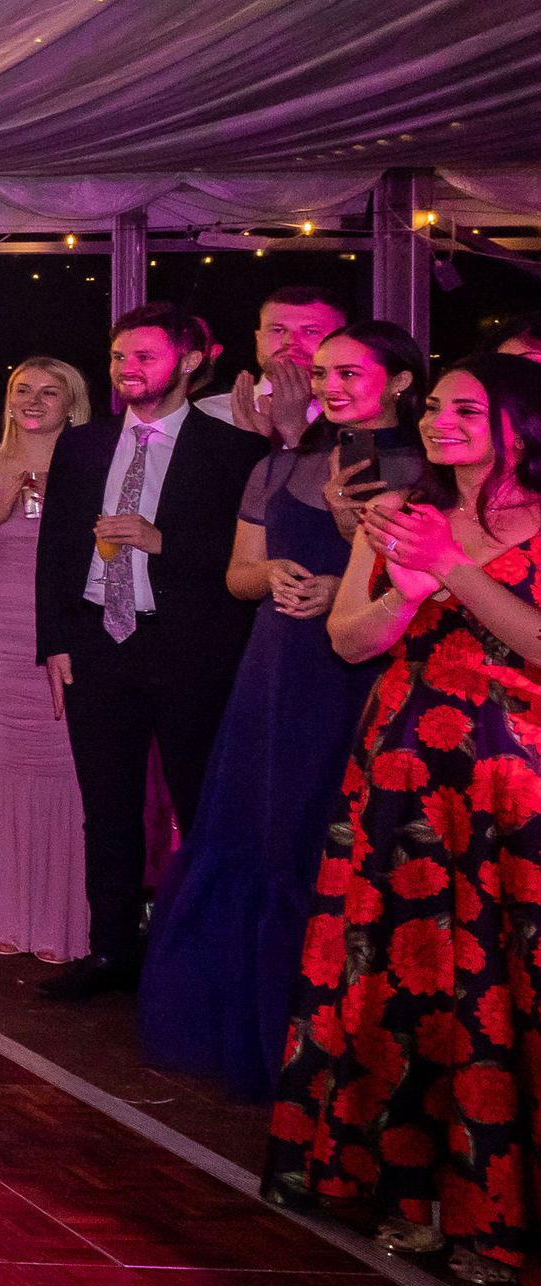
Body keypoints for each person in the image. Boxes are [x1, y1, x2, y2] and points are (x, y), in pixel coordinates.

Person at [264, 354, 541, 1286]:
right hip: (402, 782)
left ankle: (499, 1218)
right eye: (435, 408)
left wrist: (453, 571)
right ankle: (414, 1198)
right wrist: (407, 584)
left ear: (519, 424)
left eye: (468, 410)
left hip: (513, 793)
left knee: (500, 990)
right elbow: (349, 639)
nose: (440, 422)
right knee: (408, 988)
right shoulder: (398, 515)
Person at [142, 321, 426, 1100]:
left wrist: (347, 581)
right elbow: (235, 576)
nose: (331, 387)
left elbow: (434, 586)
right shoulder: (281, 462)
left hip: (360, 673)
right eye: (323, 374)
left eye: (350, 373)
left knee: (333, 839)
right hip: (275, 667)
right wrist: (271, 575)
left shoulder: (428, 469)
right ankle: (257, 1024)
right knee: (260, 834)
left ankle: (342, 1046)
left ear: (401, 382)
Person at [34, 301, 269, 1000]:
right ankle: (111, 952)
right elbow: (55, 551)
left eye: (144, 357)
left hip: (188, 647)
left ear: (190, 362)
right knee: (106, 808)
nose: (126, 370)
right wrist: (54, 642)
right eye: (118, 357)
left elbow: (246, 561)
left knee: (200, 804)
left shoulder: (232, 451)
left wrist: (163, 542)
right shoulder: (82, 443)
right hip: (97, 643)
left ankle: (205, 954)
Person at [0, 356, 93, 965]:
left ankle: (63, 920)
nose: (33, 400)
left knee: (67, 763)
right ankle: (2, 912)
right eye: (21, 390)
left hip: (68, 623)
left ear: (71, 402)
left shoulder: (94, 463)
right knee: (3, 759)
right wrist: (0, 507)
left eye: (48, 392)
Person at [198, 286, 348, 445]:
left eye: (310, 331)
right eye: (277, 330)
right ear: (258, 338)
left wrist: (295, 430)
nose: (289, 341)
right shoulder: (209, 413)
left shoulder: (357, 416)